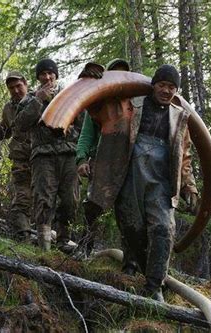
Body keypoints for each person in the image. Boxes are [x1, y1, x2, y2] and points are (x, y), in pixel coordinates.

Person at [81, 64, 198, 301]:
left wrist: (189, 185)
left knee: (164, 228)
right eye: (162, 85)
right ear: (153, 85)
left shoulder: (180, 118)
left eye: (172, 87)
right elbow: (96, 107)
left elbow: (184, 157)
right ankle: (137, 271)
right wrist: (89, 78)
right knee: (133, 230)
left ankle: (154, 286)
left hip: (161, 182)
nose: (166, 90)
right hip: (129, 175)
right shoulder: (131, 105)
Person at [15, 59, 81, 254]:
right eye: (42, 73)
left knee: (70, 199)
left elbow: (83, 123)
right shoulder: (29, 99)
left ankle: (64, 240)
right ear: (37, 77)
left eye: (50, 73)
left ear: (56, 75)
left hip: (69, 154)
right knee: (43, 199)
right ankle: (44, 247)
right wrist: (38, 100)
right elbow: (20, 124)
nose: (47, 77)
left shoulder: (69, 95)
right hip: (42, 156)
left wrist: (71, 132)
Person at [75, 58, 131, 257]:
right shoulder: (99, 103)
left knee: (128, 214)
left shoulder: (137, 103)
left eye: (123, 73)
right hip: (103, 164)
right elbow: (86, 135)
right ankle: (83, 251)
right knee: (93, 209)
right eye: (114, 73)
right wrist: (81, 159)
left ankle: (131, 262)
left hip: (130, 167)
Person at [0, 71, 32, 241]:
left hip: (43, 159)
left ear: (26, 83)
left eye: (19, 86)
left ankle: (51, 240)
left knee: (46, 200)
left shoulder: (38, 101)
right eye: (11, 88)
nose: (16, 90)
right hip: (21, 161)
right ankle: (24, 237)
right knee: (22, 199)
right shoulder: (8, 109)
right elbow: (4, 132)